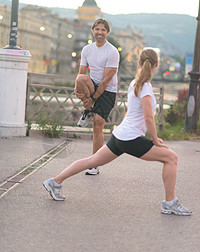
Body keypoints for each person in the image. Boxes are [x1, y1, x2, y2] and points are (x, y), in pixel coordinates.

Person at [43, 48, 192, 216]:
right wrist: (155, 139)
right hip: (130, 138)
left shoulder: (134, 83)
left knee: (92, 160)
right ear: (157, 65)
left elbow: (132, 112)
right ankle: (170, 203)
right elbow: (149, 117)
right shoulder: (146, 87)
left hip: (121, 135)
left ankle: (55, 181)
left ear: (138, 63)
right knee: (171, 158)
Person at [74, 18, 119, 175]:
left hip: (108, 90)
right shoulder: (87, 49)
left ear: (107, 32)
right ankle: (87, 110)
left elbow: (107, 80)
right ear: (93, 31)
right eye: (97, 29)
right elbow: (82, 73)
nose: (100, 32)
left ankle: (94, 164)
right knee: (80, 79)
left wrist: (92, 99)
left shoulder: (112, 51)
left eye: (103, 30)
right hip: (92, 85)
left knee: (98, 124)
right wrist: (78, 89)